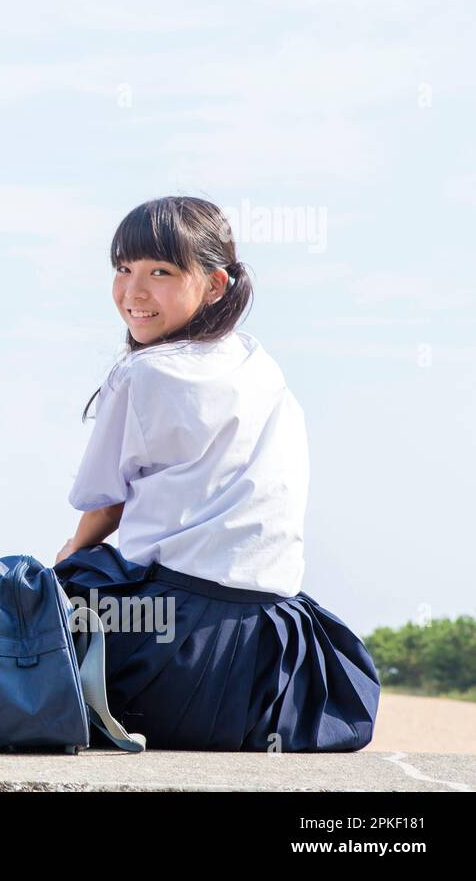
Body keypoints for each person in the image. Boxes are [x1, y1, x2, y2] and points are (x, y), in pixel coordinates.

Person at [54, 196, 379, 752]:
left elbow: (105, 508)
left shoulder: (145, 371)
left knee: (45, 597)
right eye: (123, 269)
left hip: (165, 650)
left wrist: (58, 570)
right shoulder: (260, 363)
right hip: (270, 670)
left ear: (214, 284)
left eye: (160, 271)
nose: (133, 292)